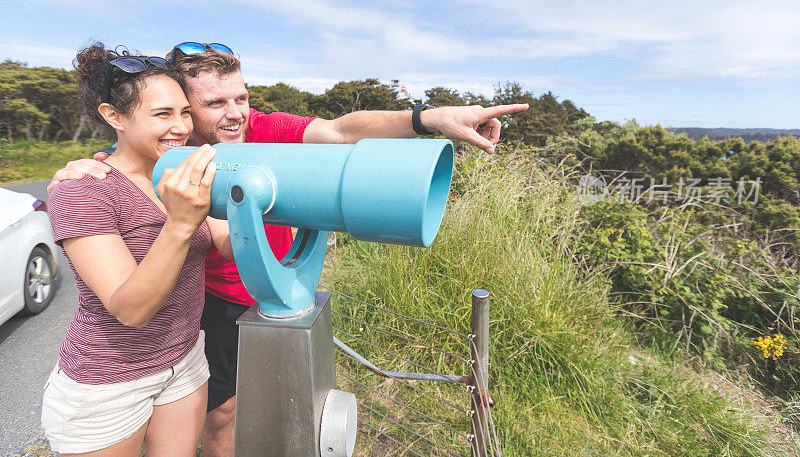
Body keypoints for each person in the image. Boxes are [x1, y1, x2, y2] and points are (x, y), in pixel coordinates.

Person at [48, 41, 529, 456]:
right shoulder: (158, 158)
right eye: (211, 103)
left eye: (241, 97)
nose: (234, 113)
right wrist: (104, 170)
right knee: (221, 416)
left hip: (192, 343)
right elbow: (129, 281)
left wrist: (433, 119)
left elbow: (342, 130)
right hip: (193, 314)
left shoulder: (258, 128)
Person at [43, 44, 234, 456]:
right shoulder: (82, 190)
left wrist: (286, 206)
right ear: (114, 116)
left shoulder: (184, 173)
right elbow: (130, 309)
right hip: (108, 381)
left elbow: (226, 242)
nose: (182, 127)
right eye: (162, 114)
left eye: (185, 112)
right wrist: (180, 223)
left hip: (184, 360)